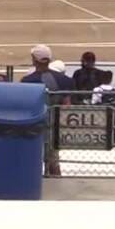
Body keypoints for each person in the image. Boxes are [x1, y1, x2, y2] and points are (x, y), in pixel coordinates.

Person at [21, 45, 73, 175]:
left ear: (34, 59)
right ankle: (55, 183)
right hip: (55, 124)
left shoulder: (27, 81)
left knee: (33, 159)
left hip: (34, 125)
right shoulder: (64, 80)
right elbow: (67, 104)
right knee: (53, 160)